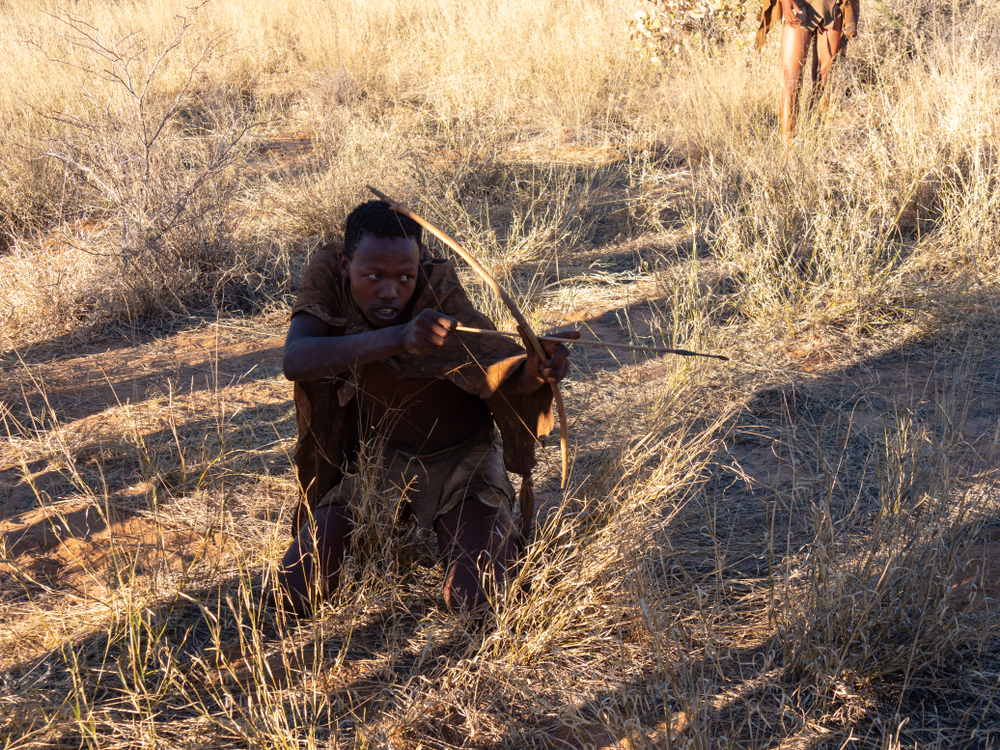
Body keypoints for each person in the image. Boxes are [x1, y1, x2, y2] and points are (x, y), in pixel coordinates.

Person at [276, 200, 577, 616]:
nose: (390, 291)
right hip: (381, 462)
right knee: (292, 595)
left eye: (405, 276)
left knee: (476, 602)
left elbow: (498, 374)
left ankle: (481, 527)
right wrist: (399, 338)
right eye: (374, 276)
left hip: (465, 464)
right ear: (346, 265)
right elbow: (296, 359)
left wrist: (535, 370)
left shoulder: (438, 292)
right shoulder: (328, 276)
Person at [757, 0, 859, 146]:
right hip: (798, 4)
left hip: (829, 5)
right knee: (791, 79)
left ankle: (817, 139)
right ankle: (788, 149)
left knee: (825, 76)